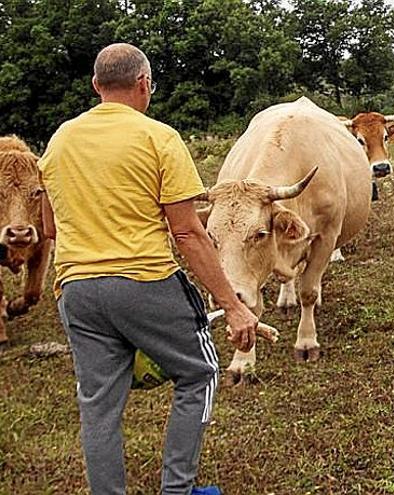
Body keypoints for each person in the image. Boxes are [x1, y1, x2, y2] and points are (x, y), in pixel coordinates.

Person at [38, 43, 258, 495]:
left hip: (76, 290)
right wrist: (232, 306)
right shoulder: (158, 137)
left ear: (97, 86)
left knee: (98, 406)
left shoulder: (59, 141)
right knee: (200, 373)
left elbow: (49, 227)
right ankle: (177, 489)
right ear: (144, 84)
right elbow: (188, 233)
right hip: (145, 281)